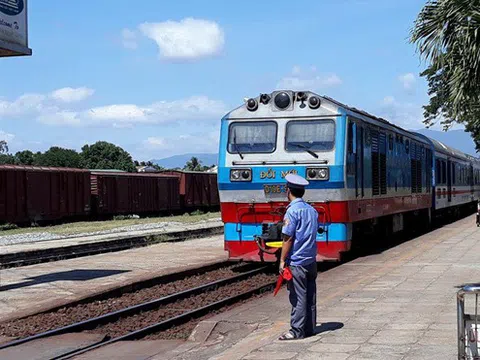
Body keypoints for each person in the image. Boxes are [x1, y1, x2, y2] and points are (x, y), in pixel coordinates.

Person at [278, 173, 318, 340]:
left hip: (297, 262)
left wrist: (281, 261)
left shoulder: (292, 211)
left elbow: (288, 238)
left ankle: (296, 331)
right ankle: (309, 328)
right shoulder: (312, 210)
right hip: (311, 260)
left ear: (288, 191)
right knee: (310, 295)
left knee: (298, 296)